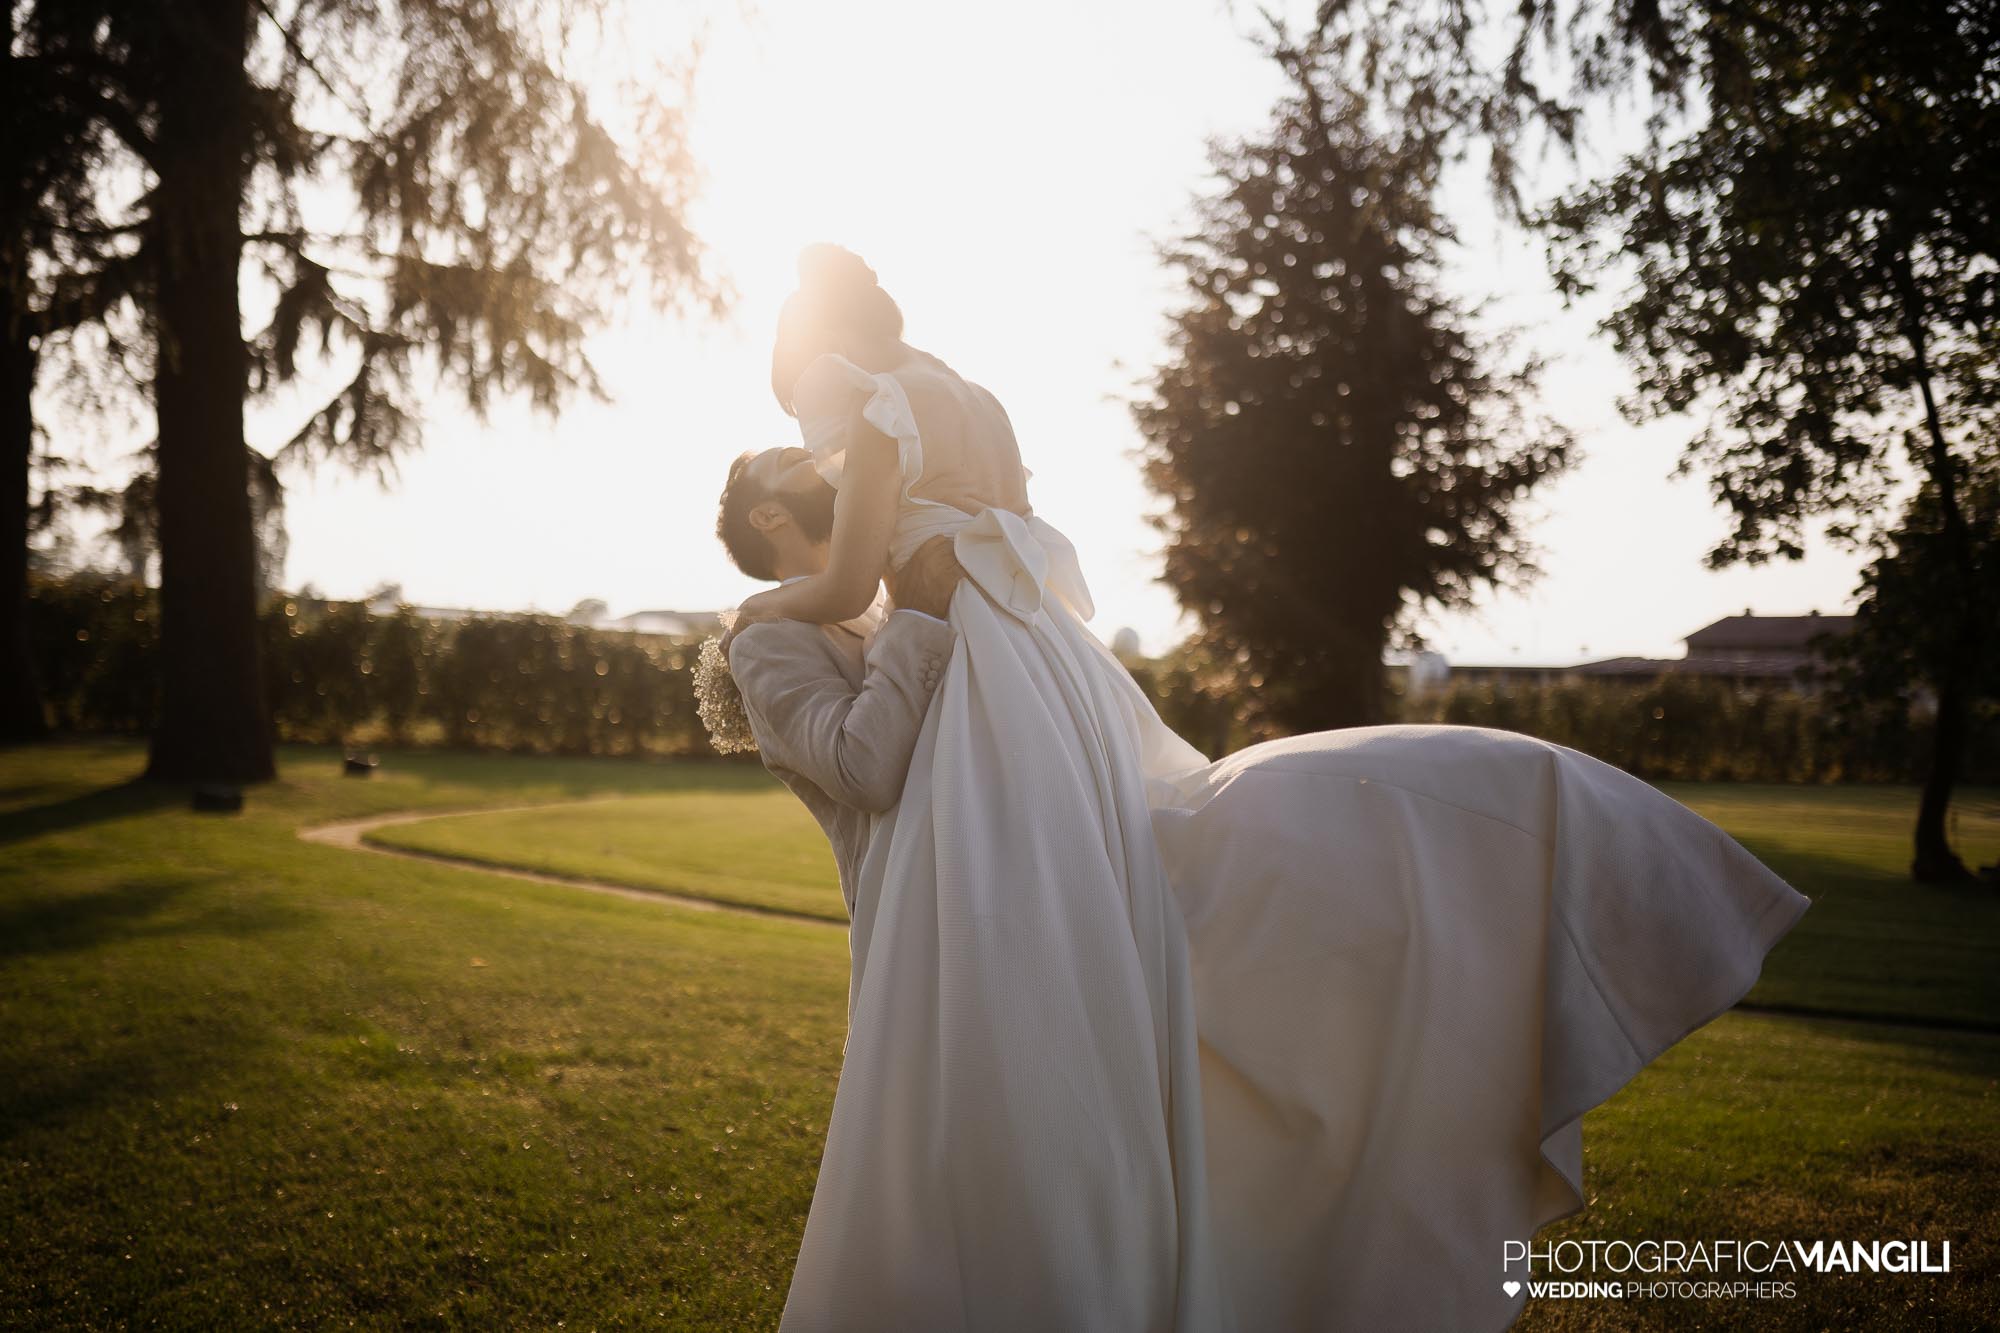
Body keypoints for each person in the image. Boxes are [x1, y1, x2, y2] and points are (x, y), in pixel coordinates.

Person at [708, 457, 1811, 1331]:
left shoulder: (891, 586)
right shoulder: (770, 638)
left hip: (1060, 871)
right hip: (955, 928)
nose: (826, 458)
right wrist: (919, 615)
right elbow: (863, 765)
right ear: (766, 516)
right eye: (792, 459)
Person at [723, 244, 1235, 1332]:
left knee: (998, 943)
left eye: (796, 385)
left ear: (824, 352)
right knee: (1089, 924)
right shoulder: (976, 399)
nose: (806, 424)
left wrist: (767, 611)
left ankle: (1016, 1243)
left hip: (977, 668)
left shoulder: (870, 408)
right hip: (1054, 662)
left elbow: (855, 579)